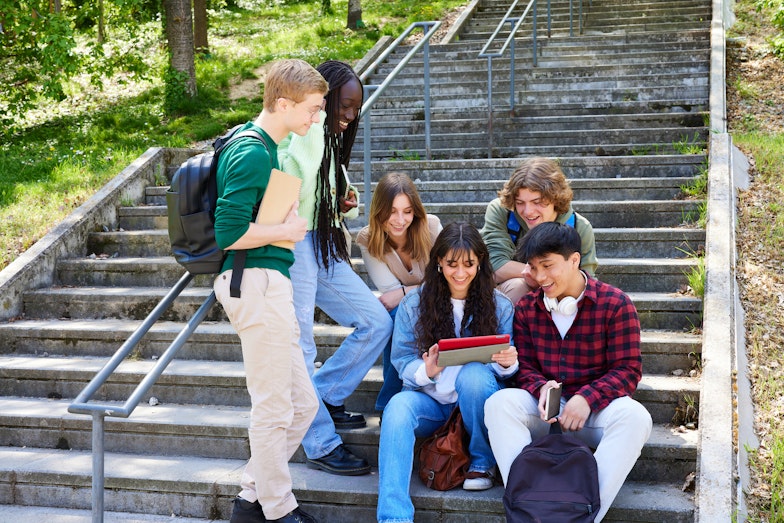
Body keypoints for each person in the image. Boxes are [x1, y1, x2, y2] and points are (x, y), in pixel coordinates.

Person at [212, 59, 326, 523]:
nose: (316, 118)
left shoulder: (264, 146)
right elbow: (228, 232)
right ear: (283, 103)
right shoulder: (252, 151)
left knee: (304, 403)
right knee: (275, 405)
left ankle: (250, 499)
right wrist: (287, 228)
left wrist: (282, 228)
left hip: (266, 280)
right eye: (312, 109)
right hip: (253, 281)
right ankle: (279, 511)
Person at [484, 222, 652, 522]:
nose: (540, 277)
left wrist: (588, 398)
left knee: (636, 417)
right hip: (549, 409)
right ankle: (528, 508)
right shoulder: (526, 308)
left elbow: (628, 370)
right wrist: (540, 388)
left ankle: (579, 515)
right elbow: (526, 368)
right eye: (534, 268)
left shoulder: (616, 304)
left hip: (596, 410)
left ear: (574, 260)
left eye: (547, 266)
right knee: (499, 404)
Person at [278, 60, 393, 476]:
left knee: (376, 321)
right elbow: (290, 172)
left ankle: (325, 394)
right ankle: (320, 442)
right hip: (296, 242)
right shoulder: (307, 135)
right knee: (302, 349)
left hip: (322, 240)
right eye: (343, 106)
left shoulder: (327, 141)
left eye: (355, 108)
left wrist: (345, 199)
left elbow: (331, 188)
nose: (349, 115)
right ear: (322, 101)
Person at [377, 222, 519, 523]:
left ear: (480, 262)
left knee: (474, 374)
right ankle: (393, 516)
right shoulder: (414, 304)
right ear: (438, 261)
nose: (460, 272)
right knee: (397, 409)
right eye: (451, 263)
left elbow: (505, 373)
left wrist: (507, 362)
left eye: (468, 264)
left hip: (474, 400)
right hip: (430, 401)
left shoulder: (500, 306)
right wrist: (426, 370)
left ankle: (482, 461)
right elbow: (401, 359)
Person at [355, 172, 442, 413]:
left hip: (441, 302)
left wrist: (405, 290)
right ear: (379, 210)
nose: (400, 220)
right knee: (393, 318)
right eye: (392, 211)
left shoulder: (431, 227)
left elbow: (448, 278)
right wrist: (406, 292)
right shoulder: (368, 238)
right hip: (407, 308)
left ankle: (395, 402)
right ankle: (390, 404)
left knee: (399, 310)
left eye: (407, 211)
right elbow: (389, 291)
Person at [480, 157, 598, 305]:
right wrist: (543, 273)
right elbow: (494, 266)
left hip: (562, 298)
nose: (528, 212)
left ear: (555, 198)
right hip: (512, 292)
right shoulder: (502, 212)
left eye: (537, 202)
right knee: (519, 287)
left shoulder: (580, 227)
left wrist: (543, 277)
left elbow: (586, 280)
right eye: (520, 203)